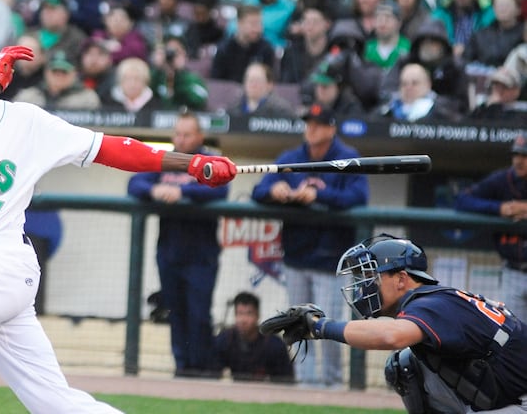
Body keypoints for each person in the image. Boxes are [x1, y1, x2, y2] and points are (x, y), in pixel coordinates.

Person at [0, 28, 236, 414]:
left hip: (2, 262)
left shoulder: (27, 121)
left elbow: (110, 148)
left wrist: (190, 163)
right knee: (55, 403)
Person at [279, 233, 527, 413]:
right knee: (404, 364)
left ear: (401, 279)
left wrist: (319, 327)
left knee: (404, 362)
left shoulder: (433, 304)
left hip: (519, 401)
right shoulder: (435, 299)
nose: (365, 286)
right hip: (507, 397)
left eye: (371, 276)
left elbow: (390, 337)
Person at [251, 103, 369, 388]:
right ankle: (305, 386)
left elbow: (358, 197)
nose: (311, 129)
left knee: (327, 327)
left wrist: (319, 195)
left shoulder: (347, 157)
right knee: (297, 326)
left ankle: (332, 384)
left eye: (317, 124)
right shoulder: (291, 157)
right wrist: (274, 191)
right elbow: (258, 190)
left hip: (332, 260)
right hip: (296, 255)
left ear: (331, 129)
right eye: (308, 123)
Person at [127, 110, 230, 378]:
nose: (181, 139)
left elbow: (220, 187)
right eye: (177, 134)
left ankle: (203, 368)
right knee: (176, 312)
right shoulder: (166, 159)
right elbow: (134, 183)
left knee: (199, 314)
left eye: (186, 134)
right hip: (169, 252)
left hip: (201, 254)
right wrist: (153, 190)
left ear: (199, 136)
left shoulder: (209, 159)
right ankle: (182, 368)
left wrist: (182, 191)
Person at [455, 133, 527, 321]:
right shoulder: (503, 180)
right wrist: (498, 208)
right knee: (513, 335)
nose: (519, 161)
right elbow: (462, 200)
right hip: (514, 271)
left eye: (525, 156)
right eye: (517, 154)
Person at [210, 291, 294, 382]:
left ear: (257, 316)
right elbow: (210, 375)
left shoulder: (274, 344)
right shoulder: (225, 339)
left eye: (249, 314)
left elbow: (286, 381)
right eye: (240, 313)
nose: (243, 320)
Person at [12, 49, 101, 110]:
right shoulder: (28, 96)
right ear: (46, 72)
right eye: (55, 71)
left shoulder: (87, 98)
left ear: (74, 73)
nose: (59, 76)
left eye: (64, 72)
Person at [211, 4, 275, 84]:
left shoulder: (266, 49)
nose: (257, 29)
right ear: (239, 23)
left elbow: (270, 82)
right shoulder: (224, 49)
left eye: (259, 24)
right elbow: (217, 83)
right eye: (253, 24)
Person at [150, 35, 208, 111]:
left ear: (184, 55)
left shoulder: (192, 79)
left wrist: (178, 76)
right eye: (168, 51)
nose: (171, 56)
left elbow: (200, 100)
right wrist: (158, 68)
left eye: (176, 52)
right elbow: (145, 95)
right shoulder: (157, 77)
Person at [228, 62, 297, 118]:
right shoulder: (234, 109)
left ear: (269, 85)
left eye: (257, 80)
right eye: (250, 80)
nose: (253, 85)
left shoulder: (281, 110)